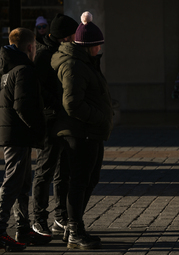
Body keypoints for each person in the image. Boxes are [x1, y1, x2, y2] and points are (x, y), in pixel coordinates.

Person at [51, 11, 114, 249]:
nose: (100, 48)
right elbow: (72, 103)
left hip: (90, 131)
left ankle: (73, 225)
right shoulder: (74, 66)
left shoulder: (86, 62)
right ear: (89, 45)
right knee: (79, 181)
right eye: (97, 44)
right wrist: (98, 117)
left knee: (90, 178)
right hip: (81, 132)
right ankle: (74, 228)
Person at [0, 28, 48, 251]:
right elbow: (24, 107)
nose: (36, 51)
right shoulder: (24, 71)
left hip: (12, 133)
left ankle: (23, 228)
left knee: (21, 183)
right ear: (30, 47)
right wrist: (40, 130)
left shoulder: (7, 70)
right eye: (36, 47)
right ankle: (1, 229)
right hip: (18, 134)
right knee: (13, 182)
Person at [32, 13, 79, 238]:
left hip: (64, 118)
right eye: (72, 36)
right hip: (51, 119)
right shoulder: (44, 56)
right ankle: (38, 218)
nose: (74, 39)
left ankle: (60, 218)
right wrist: (60, 105)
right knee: (45, 169)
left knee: (64, 171)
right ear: (64, 37)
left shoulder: (64, 52)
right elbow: (40, 91)